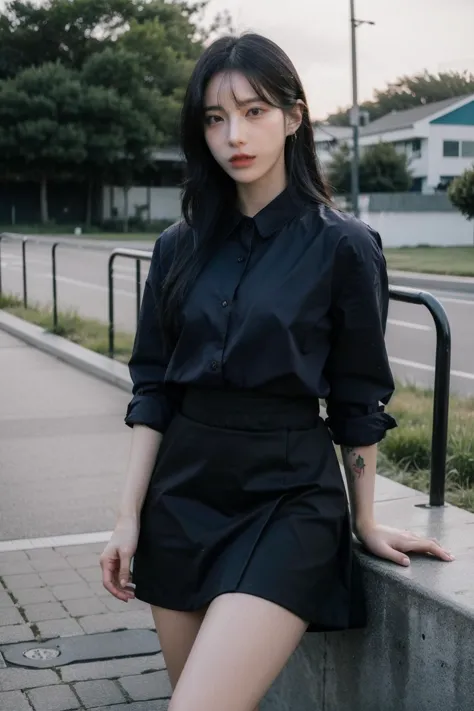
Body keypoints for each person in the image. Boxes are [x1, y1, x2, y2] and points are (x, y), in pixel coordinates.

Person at [100, 32, 454, 711]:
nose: (234, 133)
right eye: (214, 117)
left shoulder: (344, 246)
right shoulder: (177, 247)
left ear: (295, 116)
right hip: (183, 495)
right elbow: (153, 388)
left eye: (255, 110)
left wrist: (367, 519)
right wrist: (126, 518)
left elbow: (358, 397)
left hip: (287, 497)